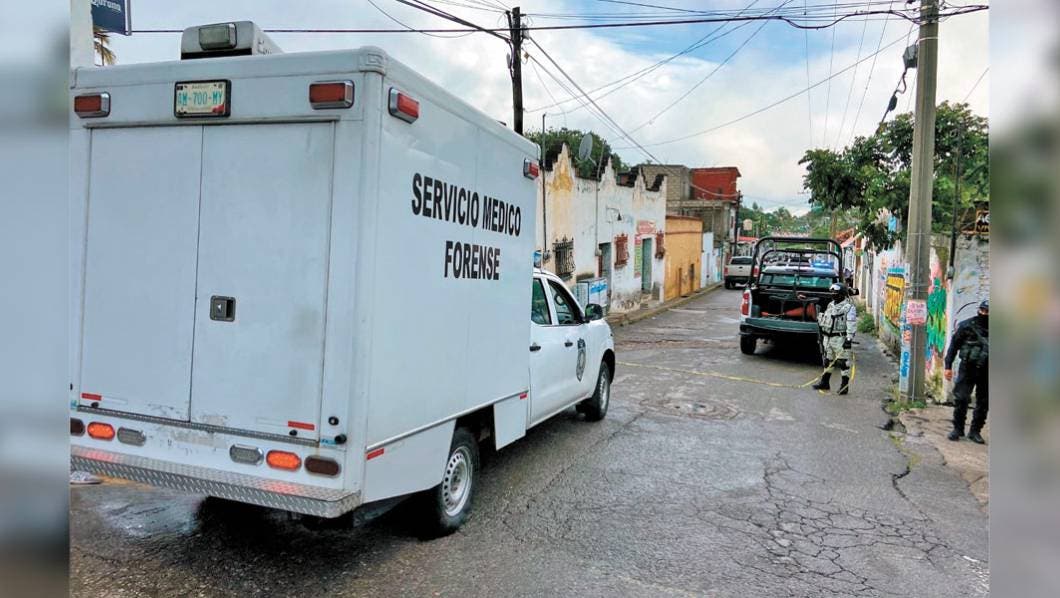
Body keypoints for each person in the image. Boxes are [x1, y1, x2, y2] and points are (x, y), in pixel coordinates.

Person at [944, 300, 989, 443]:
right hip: (968, 368)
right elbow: (953, 346)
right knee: (961, 398)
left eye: (987, 312)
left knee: (984, 402)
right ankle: (958, 429)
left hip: (987, 371)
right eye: (982, 310)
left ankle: (975, 431)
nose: (984, 314)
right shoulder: (967, 326)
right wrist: (948, 366)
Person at [811, 283, 858, 395]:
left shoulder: (848, 308)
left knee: (843, 362)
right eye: (832, 292)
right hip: (828, 338)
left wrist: (849, 339)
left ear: (842, 294)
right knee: (828, 360)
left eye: (835, 293)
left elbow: (851, 323)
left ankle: (844, 386)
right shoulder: (831, 305)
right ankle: (825, 382)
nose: (833, 294)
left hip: (840, 338)